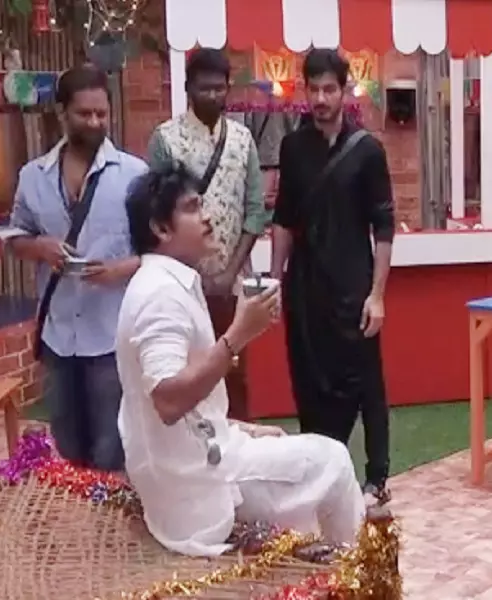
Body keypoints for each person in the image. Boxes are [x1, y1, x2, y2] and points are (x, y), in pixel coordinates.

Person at [116, 164, 365, 557]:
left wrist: (241, 429)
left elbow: (179, 405)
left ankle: (339, 562)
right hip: (196, 485)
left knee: (289, 447)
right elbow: (167, 400)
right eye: (192, 208)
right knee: (332, 461)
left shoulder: (166, 283)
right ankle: (358, 574)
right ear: (161, 229)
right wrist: (239, 335)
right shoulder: (159, 295)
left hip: (193, 464)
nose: (208, 217)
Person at [6, 65, 147, 471]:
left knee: (111, 451)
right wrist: (40, 247)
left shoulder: (134, 176)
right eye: (85, 114)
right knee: (68, 452)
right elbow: (14, 238)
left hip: (111, 336)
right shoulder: (33, 177)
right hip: (59, 336)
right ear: (62, 113)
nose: (96, 122)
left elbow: (158, 250)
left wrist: (120, 269)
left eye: (102, 114)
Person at [270, 49, 395, 506]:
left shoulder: (368, 151)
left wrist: (377, 294)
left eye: (329, 89)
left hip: (354, 284)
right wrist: (275, 280)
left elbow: (384, 227)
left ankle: (377, 478)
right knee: (309, 377)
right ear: (304, 91)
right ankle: (319, 472)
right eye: (314, 89)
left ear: (344, 92)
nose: (321, 98)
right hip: (306, 286)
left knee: (366, 381)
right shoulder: (293, 148)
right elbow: (284, 220)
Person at [147, 48, 267, 419]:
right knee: (191, 374)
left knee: (235, 375)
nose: (213, 96)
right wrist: (193, 274)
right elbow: (158, 214)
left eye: (220, 88)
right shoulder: (166, 140)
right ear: (188, 89)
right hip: (182, 285)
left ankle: (240, 445)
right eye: (204, 88)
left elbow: (255, 210)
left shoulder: (243, 139)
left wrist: (230, 273)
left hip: (232, 284)